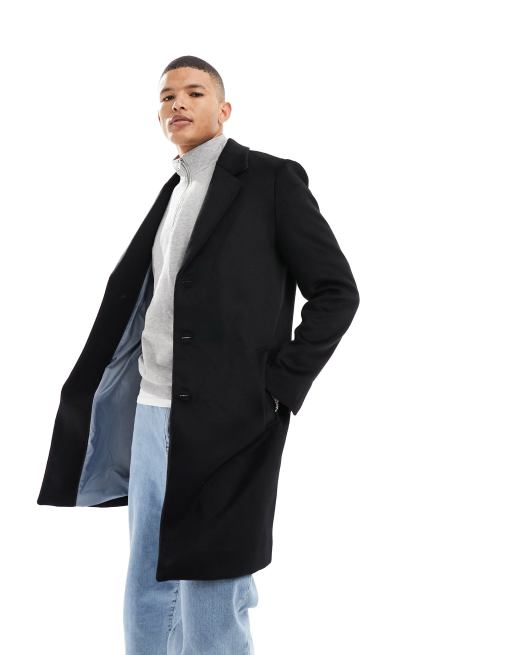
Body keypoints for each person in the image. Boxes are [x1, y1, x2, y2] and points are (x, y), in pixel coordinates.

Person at [37, 55, 360, 655]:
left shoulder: (269, 180)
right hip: (152, 411)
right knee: (148, 574)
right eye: (167, 97)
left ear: (223, 109)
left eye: (193, 92)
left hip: (231, 419)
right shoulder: (174, 190)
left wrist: (279, 385)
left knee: (215, 578)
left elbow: (337, 292)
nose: (178, 104)